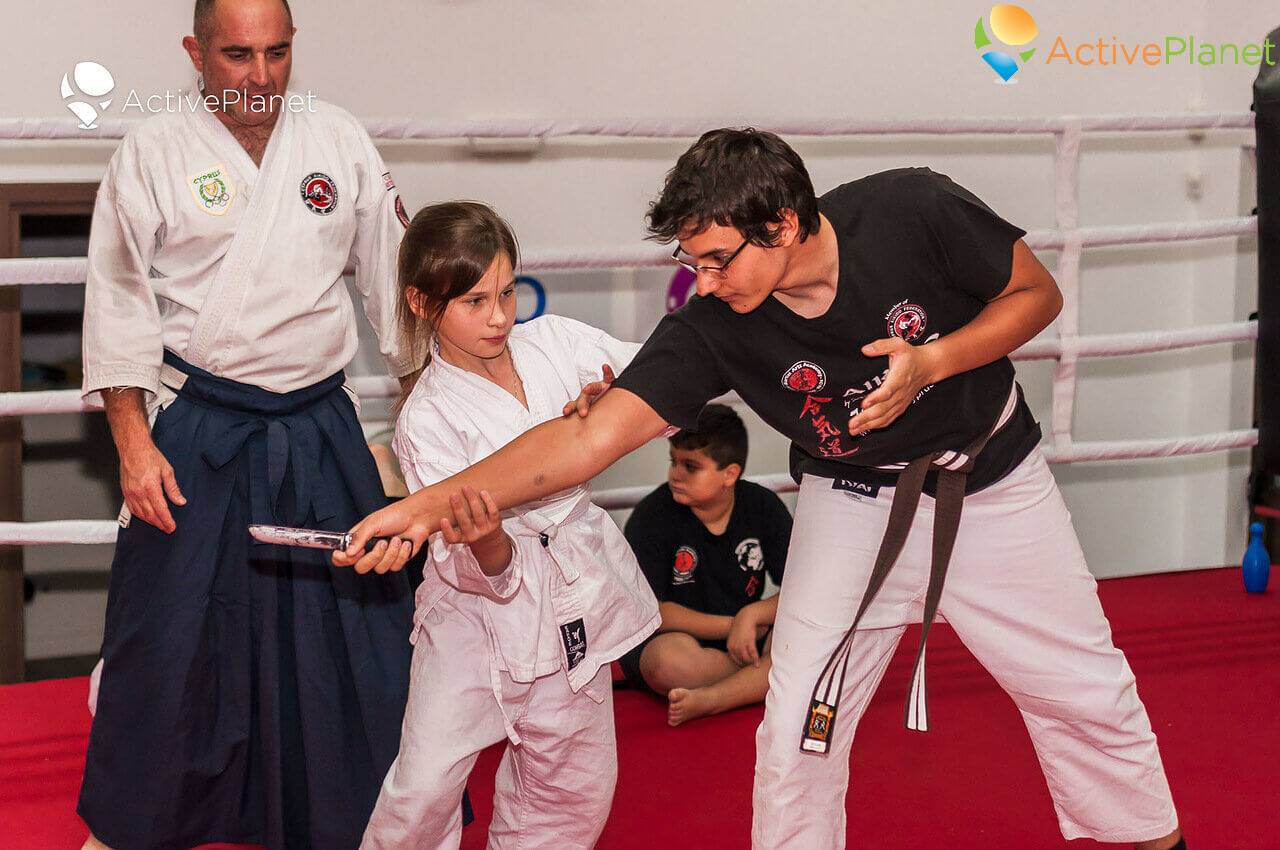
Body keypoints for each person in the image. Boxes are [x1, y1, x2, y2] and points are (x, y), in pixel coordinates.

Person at [334, 129, 1185, 850]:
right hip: (851, 502)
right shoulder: (716, 326)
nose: (700, 281)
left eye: (714, 259)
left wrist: (935, 359)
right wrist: (422, 505)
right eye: (691, 261)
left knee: (1080, 688)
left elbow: (1037, 293)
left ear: (781, 224)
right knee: (794, 729)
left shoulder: (912, 208)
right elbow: (586, 439)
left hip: (989, 483)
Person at [77, 1, 427, 847]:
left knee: (354, 638)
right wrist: (132, 444)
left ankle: (351, 818)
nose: (260, 77)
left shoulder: (337, 139)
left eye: (277, 53)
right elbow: (119, 304)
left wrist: (428, 437)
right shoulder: (152, 152)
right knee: (165, 638)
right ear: (196, 51)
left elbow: (398, 291)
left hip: (319, 423)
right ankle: (136, 826)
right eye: (238, 56)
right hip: (200, 427)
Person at [359, 201, 659, 850]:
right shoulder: (428, 418)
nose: (498, 316)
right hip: (471, 620)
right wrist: (489, 544)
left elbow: (662, 378)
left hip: (571, 595)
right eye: (473, 301)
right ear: (421, 302)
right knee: (422, 788)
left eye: (505, 292)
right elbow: (469, 557)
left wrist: (615, 401)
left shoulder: (556, 342)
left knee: (572, 785)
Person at [620, 403, 791, 726]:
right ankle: (763, 679)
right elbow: (653, 613)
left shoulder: (763, 506)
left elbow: (800, 590)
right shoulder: (651, 517)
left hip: (744, 636)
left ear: (729, 474)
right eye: (673, 461)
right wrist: (735, 625)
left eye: (691, 466)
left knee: (802, 635)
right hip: (674, 639)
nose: (675, 473)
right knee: (669, 663)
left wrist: (752, 614)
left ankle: (713, 699)